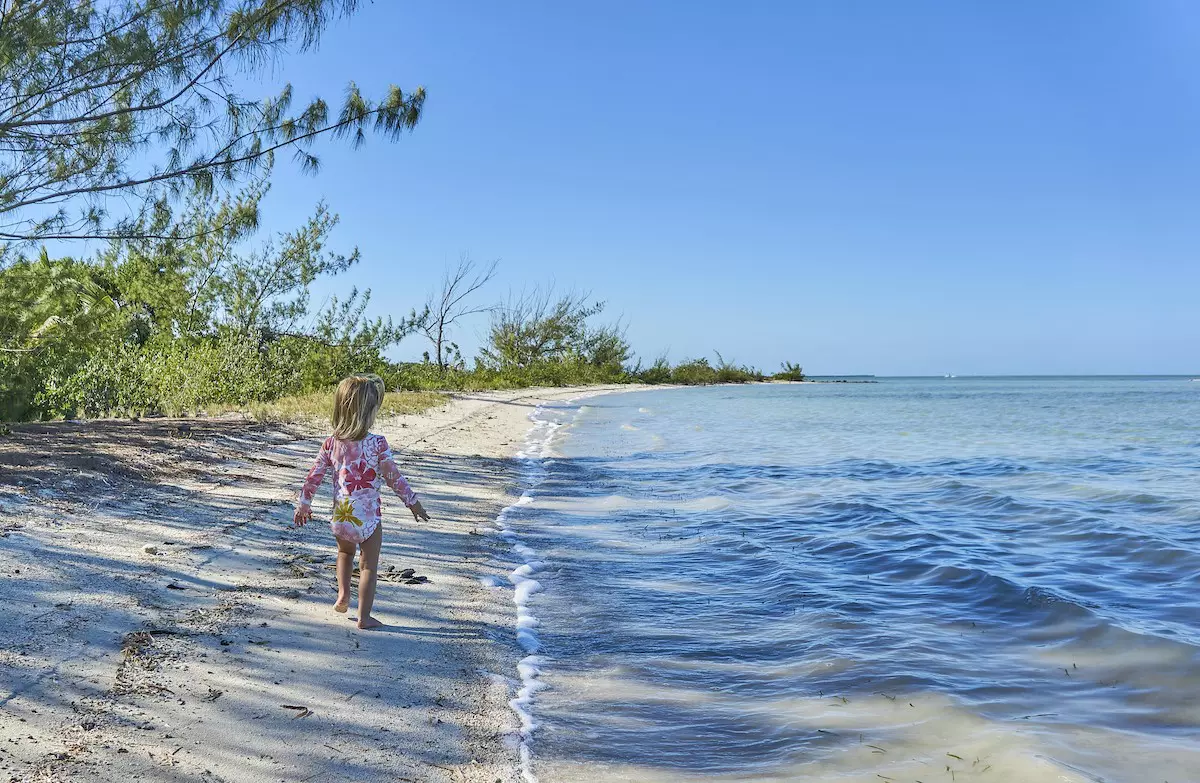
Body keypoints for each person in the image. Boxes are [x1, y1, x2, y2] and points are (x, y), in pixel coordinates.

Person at [293, 374, 430, 629]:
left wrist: (304, 504)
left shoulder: (331, 443)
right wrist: (412, 502)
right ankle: (364, 617)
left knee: (344, 553)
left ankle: (343, 596)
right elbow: (392, 476)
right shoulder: (377, 443)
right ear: (368, 412)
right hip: (367, 517)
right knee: (368, 567)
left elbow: (314, 476)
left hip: (342, 515)